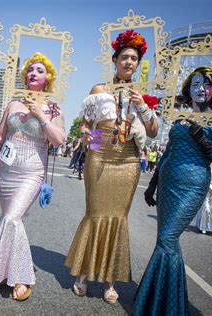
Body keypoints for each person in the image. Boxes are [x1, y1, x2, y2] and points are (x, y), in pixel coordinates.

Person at [65, 30, 158, 304]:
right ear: (115, 60)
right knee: (95, 213)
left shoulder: (142, 95)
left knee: (118, 218)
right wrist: (91, 146)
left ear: (137, 65)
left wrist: (142, 107)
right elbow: (86, 123)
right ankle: (82, 273)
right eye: (125, 57)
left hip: (128, 160)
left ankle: (109, 280)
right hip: (101, 156)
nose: (129, 62)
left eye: (134, 59)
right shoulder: (99, 90)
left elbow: (152, 132)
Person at [133, 67, 212, 315]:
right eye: (197, 83)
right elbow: (167, 152)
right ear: (188, 88)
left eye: (208, 85)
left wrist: (204, 140)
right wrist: (153, 184)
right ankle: (165, 303)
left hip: (192, 185)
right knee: (165, 241)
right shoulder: (181, 118)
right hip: (168, 183)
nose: (202, 88)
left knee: (168, 239)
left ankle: (160, 304)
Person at [0, 52, 65, 301]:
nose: (33, 73)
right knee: (10, 219)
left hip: (31, 171)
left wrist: (40, 115)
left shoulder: (54, 106)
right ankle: (4, 271)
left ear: (47, 77)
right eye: (30, 69)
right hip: (7, 171)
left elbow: (59, 140)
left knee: (11, 218)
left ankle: (21, 276)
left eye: (39, 70)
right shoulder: (13, 104)